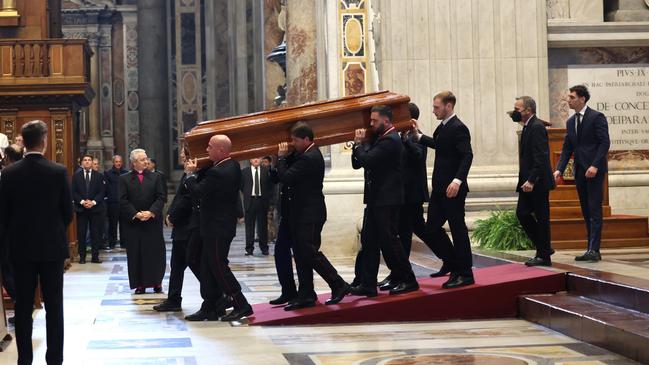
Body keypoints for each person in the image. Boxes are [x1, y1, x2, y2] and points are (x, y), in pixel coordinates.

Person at [0, 120, 73, 365]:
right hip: (52, 248)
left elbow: (4, 215)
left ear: (24, 141)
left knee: (22, 307)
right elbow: (67, 212)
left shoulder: (9, 174)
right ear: (44, 141)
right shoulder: (58, 171)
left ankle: (25, 359)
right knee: (54, 305)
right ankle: (54, 359)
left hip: (21, 249)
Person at [275, 122, 350, 310]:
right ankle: (306, 294)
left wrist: (281, 158)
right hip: (302, 213)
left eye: (295, 140)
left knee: (309, 252)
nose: (292, 144)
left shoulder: (309, 157)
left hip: (310, 213)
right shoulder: (304, 154)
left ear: (307, 139)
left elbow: (287, 178)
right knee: (301, 254)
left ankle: (338, 284)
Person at [350, 105, 419, 297]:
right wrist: (359, 146)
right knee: (369, 241)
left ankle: (409, 279)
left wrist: (358, 144)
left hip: (387, 199)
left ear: (386, 120)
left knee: (390, 240)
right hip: (376, 198)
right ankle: (368, 284)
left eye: (374, 121)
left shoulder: (391, 139)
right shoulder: (380, 138)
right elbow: (358, 163)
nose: (371, 124)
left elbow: (368, 160)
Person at [184, 135, 253, 321]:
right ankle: (210, 306)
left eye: (210, 146)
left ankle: (241, 304)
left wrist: (190, 175)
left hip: (217, 227)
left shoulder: (219, 171)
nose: (206, 149)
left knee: (218, 266)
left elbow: (198, 192)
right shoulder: (232, 165)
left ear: (221, 150)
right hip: (217, 225)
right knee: (207, 267)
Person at [412, 91, 474, 289]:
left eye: (437, 107)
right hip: (439, 189)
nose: (433, 111)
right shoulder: (442, 128)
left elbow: (467, 156)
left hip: (453, 189)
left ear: (449, 106)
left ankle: (465, 273)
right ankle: (452, 262)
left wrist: (458, 180)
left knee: (458, 230)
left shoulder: (459, 128)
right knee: (431, 230)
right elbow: (440, 146)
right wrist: (419, 136)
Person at [554, 85, 610, 262]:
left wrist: (595, 165)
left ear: (582, 99)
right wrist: (559, 170)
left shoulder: (596, 117)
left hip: (594, 171)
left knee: (595, 210)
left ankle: (594, 249)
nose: (568, 100)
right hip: (579, 172)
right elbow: (567, 148)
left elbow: (604, 143)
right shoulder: (571, 122)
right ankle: (591, 249)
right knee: (586, 211)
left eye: (571, 97)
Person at [154, 147, 201, 312]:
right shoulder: (187, 174)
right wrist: (169, 215)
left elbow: (187, 201)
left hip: (188, 227)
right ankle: (174, 300)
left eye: (183, 152)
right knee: (177, 265)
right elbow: (178, 199)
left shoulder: (195, 174)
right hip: (181, 228)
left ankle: (218, 295)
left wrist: (172, 217)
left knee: (196, 265)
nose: (180, 155)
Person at [511, 96, 555, 267]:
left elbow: (541, 157)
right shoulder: (529, 126)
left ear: (528, 110)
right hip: (528, 182)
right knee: (522, 213)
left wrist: (531, 180)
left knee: (542, 217)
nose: (514, 112)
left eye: (517, 109)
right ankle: (544, 248)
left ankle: (544, 255)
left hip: (536, 182)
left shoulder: (536, 127)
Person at [119, 149, 167, 294]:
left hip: (152, 222)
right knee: (136, 254)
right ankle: (139, 284)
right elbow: (122, 199)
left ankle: (156, 282)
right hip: (134, 223)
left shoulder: (156, 177)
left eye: (146, 159)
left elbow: (161, 197)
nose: (146, 161)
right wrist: (136, 214)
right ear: (134, 163)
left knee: (155, 253)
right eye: (142, 159)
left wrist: (151, 212)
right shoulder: (124, 179)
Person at [1, 144, 24, 325]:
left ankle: (19, 305)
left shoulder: (7, 175)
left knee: (8, 270)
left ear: (7, 158)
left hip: (7, 232)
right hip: (24, 232)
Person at [71, 155, 106, 264]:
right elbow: (73, 192)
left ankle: (95, 257)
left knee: (95, 233)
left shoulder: (99, 176)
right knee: (81, 234)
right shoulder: (76, 176)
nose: (87, 162)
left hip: (95, 208)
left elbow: (102, 192)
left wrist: (93, 202)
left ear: (92, 162)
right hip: (81, 209)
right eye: (85, 160)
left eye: (89, 160)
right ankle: (82, 257)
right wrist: (82, 202)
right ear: (82, 163)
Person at [240, 157, 271, 255]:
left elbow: (269, 185)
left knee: (263, 226)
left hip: (262, 201)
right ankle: (249, 249)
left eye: (258, 158)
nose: (256, 160)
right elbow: (241, 185)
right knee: (249, 227)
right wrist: (247, 193)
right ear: (250, 160)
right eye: (253, 158)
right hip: (250, 200)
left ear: (261, 159)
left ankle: (264, 248)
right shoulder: (245, 172)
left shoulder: (266, 171)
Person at [104, 155, 128, 249]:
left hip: (123, 203)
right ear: (113, 162)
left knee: (124, 224)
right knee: (112, 224)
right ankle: (112, 243)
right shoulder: (108, 174)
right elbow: (106, 189)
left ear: (122, 162)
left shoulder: (126, 173)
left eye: (120, 161)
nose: (118, 163)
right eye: (116, 162)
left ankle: (124, 243)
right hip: (112, 203)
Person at [262, 155, 279, 243]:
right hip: (264, 200)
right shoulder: (262, 171)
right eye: (263, 162)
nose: (263, 164)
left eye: (265, 162)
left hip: (271, 199)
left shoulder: (271, 172)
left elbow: (273, 187)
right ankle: (268, 236)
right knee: (266, 219)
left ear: (269, 163)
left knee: (270, 219)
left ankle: (271, 236)